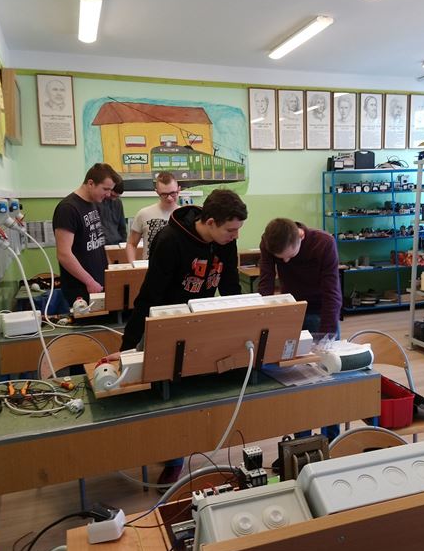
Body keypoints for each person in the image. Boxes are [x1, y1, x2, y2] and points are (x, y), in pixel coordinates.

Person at [119, 188, 248, 488]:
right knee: (171, 398)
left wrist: (243, 323)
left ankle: (194, 446)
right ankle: (174, 459)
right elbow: (148, 296)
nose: (235, 236)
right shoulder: (170, 241)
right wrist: (128, 347)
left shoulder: (226, 241)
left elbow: (231, 287)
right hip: (169, 328)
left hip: (202, 324)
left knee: (198, 392)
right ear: (211, 222)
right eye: (231, 230)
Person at [259, 218, 343, 449]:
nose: (285, 262)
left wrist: (326, 337)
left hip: (322, 310)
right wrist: (266, 322)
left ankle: (331, 440)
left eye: (289, 256)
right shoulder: (268, 242)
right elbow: (266, 284)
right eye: (281, 258)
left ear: (300, 238)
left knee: (328, 377)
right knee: (296, 380)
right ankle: (302, 444)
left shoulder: (324, 243)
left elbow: (332, 293)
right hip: (293, 311)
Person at [53, 163, 121, 307]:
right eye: (105, 189)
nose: (108, 194)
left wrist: (110, 271)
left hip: (99, 282)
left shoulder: (94, 203)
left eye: (110, 190)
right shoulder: (68, 209)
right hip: (81, 287)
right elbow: (64, 254)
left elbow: (99, 241)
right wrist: (89, 281)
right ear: (90, 183)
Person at [125, 172, 180, 262]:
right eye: (164, 194)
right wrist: (133, 264)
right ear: (157, 192)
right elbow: (131, 244)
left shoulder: (186, 215)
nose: (169, 198)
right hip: (150, 267)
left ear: (179, 189)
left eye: (173, 193)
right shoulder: (144, 214)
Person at [98, 179, 127, 246]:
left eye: (117, 196)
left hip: (117, 244)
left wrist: (124, 244)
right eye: (112, 195)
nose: (114, 199)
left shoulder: (118, 202)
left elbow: (122, 227)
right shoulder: (97, 202)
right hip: (102, 245)